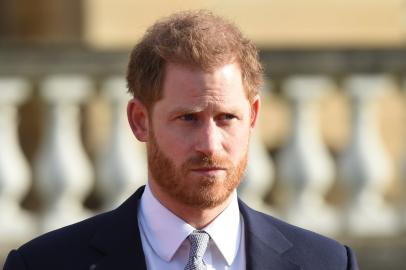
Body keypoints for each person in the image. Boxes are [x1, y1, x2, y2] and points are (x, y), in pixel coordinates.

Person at [3, 10, 359, 270]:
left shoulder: (328, 263)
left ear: (252, 117)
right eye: (188, 118)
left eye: (227, 118)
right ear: (140, 121)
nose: (209, 144)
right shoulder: (43, 264)